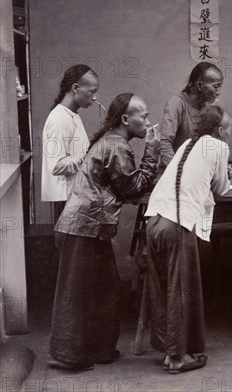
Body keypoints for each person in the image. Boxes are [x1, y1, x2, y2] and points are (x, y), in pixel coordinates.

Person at [48, 93, 159, 371]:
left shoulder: (113, 141)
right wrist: (152, 152)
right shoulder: (116, 145)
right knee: (76, 293)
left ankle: (100, 349)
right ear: (125, 119)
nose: (147, 121)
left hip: (90, 227)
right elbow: (132, 188)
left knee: (105, 289)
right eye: (143, 116)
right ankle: (65, 356)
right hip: (83, 227)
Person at [145, 105, 232, 374]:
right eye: (227, 130)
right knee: (182, 289)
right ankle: (178, 357)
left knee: (164, 287)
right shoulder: (218, 148)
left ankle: (169, 351)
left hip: (154, 219)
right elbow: (220, 188)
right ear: (219, 131)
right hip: (177, 223)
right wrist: (226, 173)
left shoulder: (185, 146)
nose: (228, 134)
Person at [41, 64, 99, 221]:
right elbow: (57, 166)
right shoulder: (59, 118)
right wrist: (88, 155)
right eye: (92, 91)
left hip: (76, 196)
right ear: (75, 88)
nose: (94, 98)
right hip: (67, 198)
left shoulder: (72, 114)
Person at [158, 62, 224, 174]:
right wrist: (178, 173)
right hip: (173, 176)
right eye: (216, 86)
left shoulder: (207, 107)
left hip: (195, 176)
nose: (218, 93)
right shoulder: (177, 104)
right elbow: (164, 143)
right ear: (199, 86)